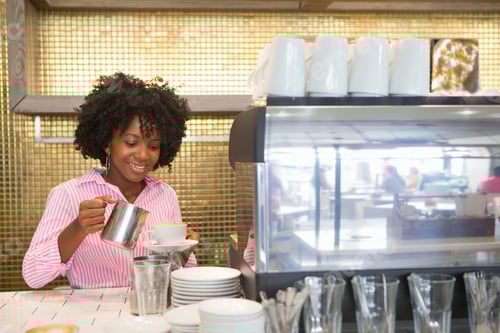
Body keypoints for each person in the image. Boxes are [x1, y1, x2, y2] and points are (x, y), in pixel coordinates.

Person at [22, 72, 197, 289]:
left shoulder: (165, 195)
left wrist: (184, 248)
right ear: (107, 142)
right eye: (131, 142)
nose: (143, 155)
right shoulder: (69, 194)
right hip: (93, 317)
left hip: (150, 312)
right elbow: (33, 276)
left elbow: (182, 276)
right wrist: (78, 228)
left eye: (153, 146)